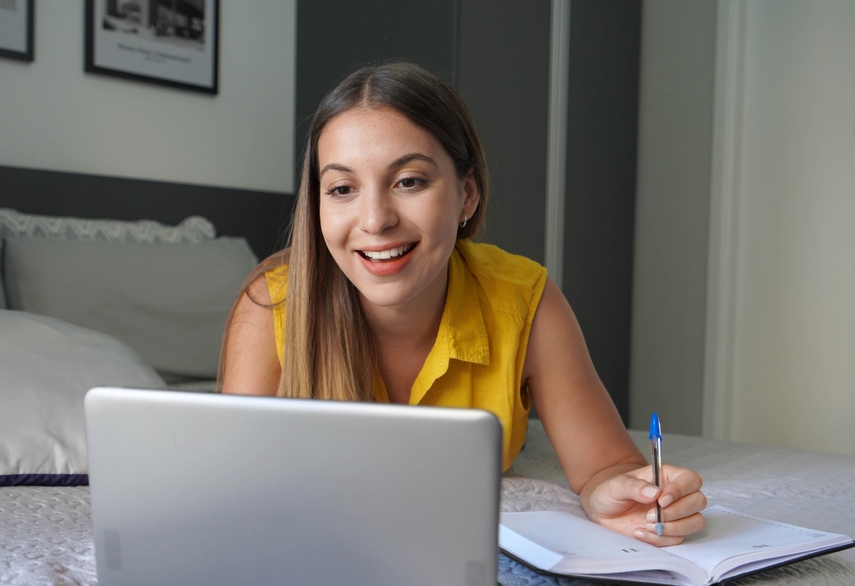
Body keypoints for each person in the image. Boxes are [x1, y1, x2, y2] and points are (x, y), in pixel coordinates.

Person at [219, 61, 705, 546]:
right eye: (342, 189)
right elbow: (230, 491)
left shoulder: (524, 302)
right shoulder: (272, 305)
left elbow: (607, 467)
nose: (374, 220)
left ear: (466, 194)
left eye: (408, 181)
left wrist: (624, 495)